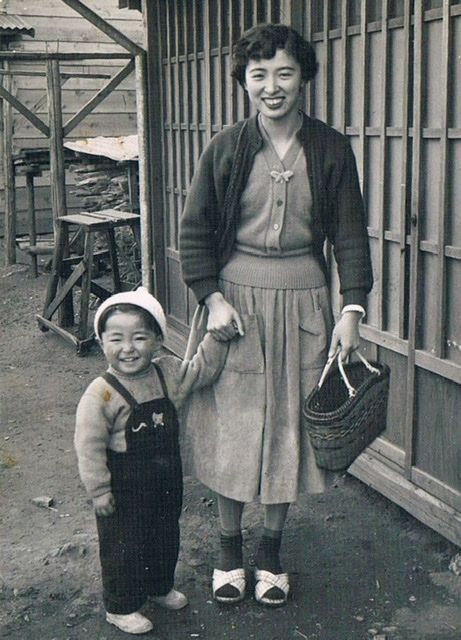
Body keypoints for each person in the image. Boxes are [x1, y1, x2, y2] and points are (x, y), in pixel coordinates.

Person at [179, 23, 373, 608]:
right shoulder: (227, 147)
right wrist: (211, 297)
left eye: (284, 72)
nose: (272, 86)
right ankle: (228, 550)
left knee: (287, 428)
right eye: (258, 74)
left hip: (307, 305)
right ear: (243, 82)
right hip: (235, 307)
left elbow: (349, 236)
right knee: (234, 428)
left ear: (304, 78)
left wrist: (352, 308)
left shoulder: (331, 148)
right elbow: (194, 232)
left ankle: (271, 553)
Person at [74, 287, 230, 635]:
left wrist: (217, 338)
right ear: (102, 342)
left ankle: (158, 587)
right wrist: (99, 492)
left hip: (164, 480)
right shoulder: (100, 393)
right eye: (116, 339)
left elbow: (201, 370)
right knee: (123, 546)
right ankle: (121, 605)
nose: (128, 348)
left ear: (158, 340)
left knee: (163, 536)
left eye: (139, 337)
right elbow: (88, 446)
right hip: (123, 488)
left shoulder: (167, 372)